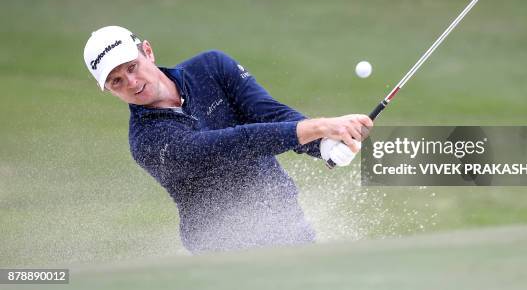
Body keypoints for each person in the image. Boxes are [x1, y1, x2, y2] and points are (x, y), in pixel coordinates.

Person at [83, 26, 373, 253]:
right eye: (116, 80)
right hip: (222, 250)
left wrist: (320, 145)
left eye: (131, 67)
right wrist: (322, 127)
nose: (131, 83)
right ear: (108, 89)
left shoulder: (211, 67)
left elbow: (268, 113)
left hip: (286, 217)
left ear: (148, 51)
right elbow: (232, 145)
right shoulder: (147, 141)